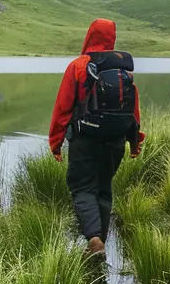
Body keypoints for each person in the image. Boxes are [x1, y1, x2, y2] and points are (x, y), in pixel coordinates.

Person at [48, 18, 145, 256]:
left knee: (82, 187)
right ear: (112, 38)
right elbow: (133, 110)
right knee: (103, 187)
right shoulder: (122, 70)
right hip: (116, 140)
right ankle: (99, 243)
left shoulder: (79, 66)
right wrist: (135, 142)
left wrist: (56, 143)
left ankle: (93, 239)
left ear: (90, 35)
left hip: (85, 139)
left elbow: (63, 107)